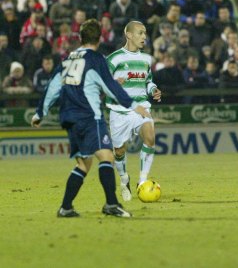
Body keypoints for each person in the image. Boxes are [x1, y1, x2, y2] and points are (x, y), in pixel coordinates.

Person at [30, 19, 148, 218]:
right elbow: (110, 86)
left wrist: (39, 113)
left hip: (69, 118)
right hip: (89, 117)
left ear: (80, 38)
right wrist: (134, 106)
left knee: (83, 164)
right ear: (100, 39)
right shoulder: (96, 59)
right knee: (107, 157)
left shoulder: (68, 59)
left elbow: (53, 87)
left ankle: (65, 207)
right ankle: (111, 204)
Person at [106, 21, 162, 202]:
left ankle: (142, 181)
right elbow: (102, 83)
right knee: (119, 151)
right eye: (140, 33)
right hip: (119, 110)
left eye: (145, 33)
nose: (144, 37)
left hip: (141, 108)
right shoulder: (114, 59)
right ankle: (124, 179)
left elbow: (148, 81)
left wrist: (153, 90)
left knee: (150, 137)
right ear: (128, 35)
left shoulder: (146, 59)